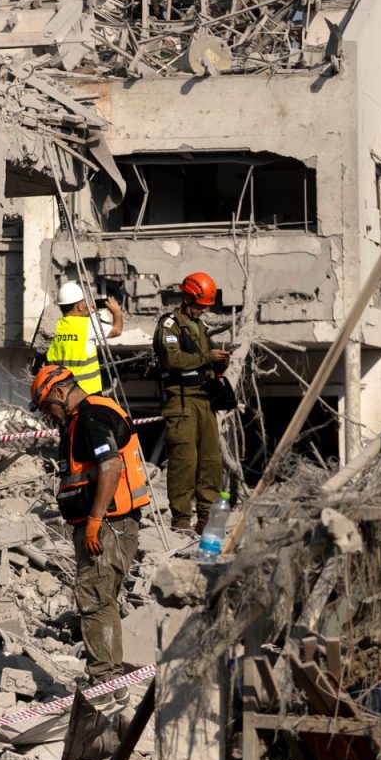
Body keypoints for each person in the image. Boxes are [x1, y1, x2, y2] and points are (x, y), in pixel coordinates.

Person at [31, 364, 149, 684]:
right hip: (110, 525)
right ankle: (110, 681)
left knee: (94, 598)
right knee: (101, 599)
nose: (48, 415)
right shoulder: (86, 416)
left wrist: (95, 521)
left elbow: (110, 466)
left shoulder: (91, 416)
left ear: (60, 392)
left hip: (108, 525)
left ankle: (104, 683)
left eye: (47, 407)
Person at [152, 271, 227, 532]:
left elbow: (205, 361)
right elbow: (173, 359)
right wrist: (208, 357)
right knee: (184, 462)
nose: (202, 310)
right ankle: (181, 520)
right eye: (198, 305)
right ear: (186, 298)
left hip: (205, 400)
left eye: (205, 306)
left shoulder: (201, 327)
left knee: (211, 461)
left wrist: (219, 362)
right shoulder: (169, 325)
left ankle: (207, 517)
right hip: (181, 401)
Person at [45, 280, 123, 397]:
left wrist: (90, 315)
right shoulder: (88, 326)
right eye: (84, 303)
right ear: (80, 307)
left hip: (63, 394)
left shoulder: (56, 327)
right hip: (87, 394)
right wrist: (116, 311)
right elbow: (117, 330)